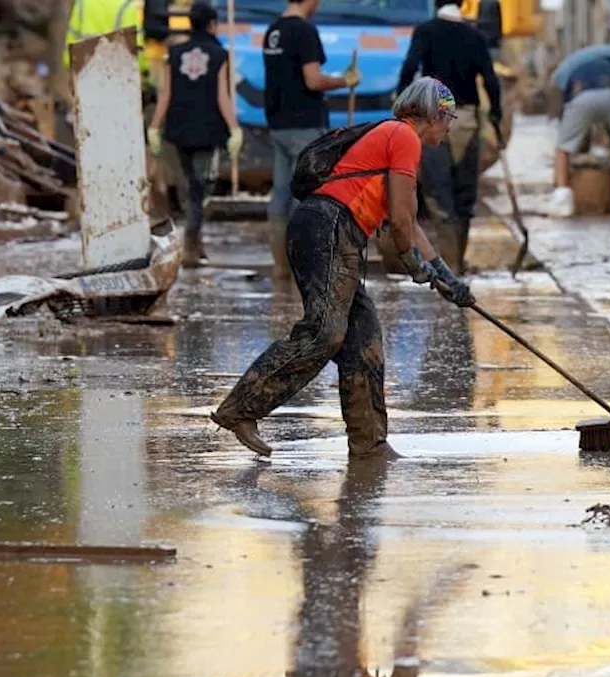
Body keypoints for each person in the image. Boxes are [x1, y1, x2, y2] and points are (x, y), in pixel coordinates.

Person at [210, 78, 474, 460]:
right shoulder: (403, 137)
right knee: (325, 333)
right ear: (432, 114)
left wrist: (447, 278)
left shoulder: (394, 137)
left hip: (335, 233)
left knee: (362, 343)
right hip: (328, 228)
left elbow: (411, 224)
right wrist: (418, 267)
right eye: (448, 118)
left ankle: (370, 445)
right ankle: (241, 408)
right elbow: (401, 224)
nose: (449, 127)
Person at [397, 0, 502, 274]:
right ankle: (458, 265)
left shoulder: (426, 31)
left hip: (433, 119)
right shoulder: (475, 35)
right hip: (466, 119)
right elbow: (490, 79)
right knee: (464, 196)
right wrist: (496, 115)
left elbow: (409, 69)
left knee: (438, 195)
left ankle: (449, 266)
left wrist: (402, 104)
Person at [263, 0, 362, 280]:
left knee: (281, 193)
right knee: (305, 197)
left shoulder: (274, 30)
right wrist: (345, 81)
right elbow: (313, 80)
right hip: (304, 124)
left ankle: (281, 266)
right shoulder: (304, 31)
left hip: (278, 124)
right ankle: (302, 265)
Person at [147, 2, 243, 268]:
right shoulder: (219, 54)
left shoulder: (174, 53)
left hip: (178, 128)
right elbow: (222, 96)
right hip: (208, 129)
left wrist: (155, 126)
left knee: (190, 184)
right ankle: (191, 242)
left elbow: (165, 94)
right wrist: (234, 128)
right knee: (201, 188)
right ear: (212, 24)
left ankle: (194, 240)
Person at [546, 38, 610, 219]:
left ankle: (563, 197)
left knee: (562, 149)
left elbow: (563, 98)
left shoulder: (570, 68)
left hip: (581, 98)